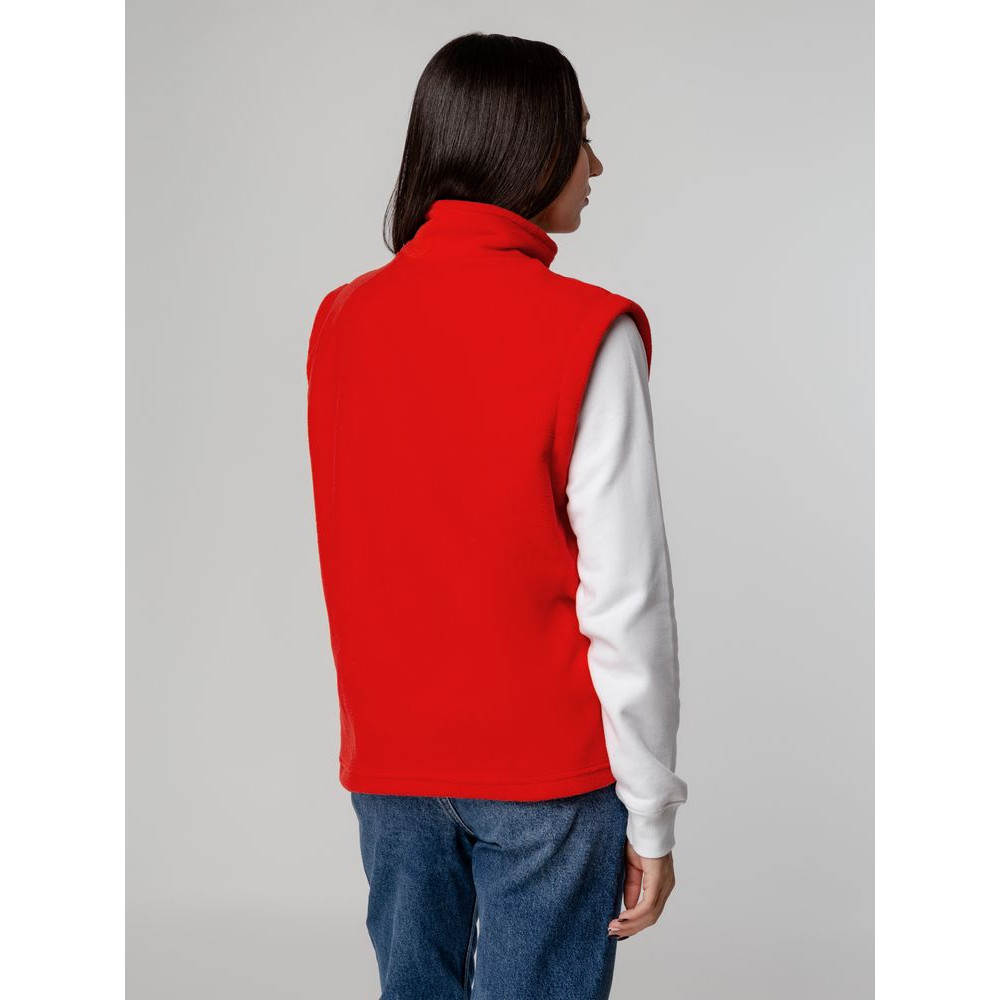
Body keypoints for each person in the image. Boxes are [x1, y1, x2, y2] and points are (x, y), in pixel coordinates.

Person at [306, 31, 688, 1000]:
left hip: (390, 763)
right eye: (580, 135)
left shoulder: (343, 319)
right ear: (528, 143)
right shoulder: (587, 329)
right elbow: (626, 594)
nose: (595, 164)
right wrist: (651, 809)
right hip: (545, 774)